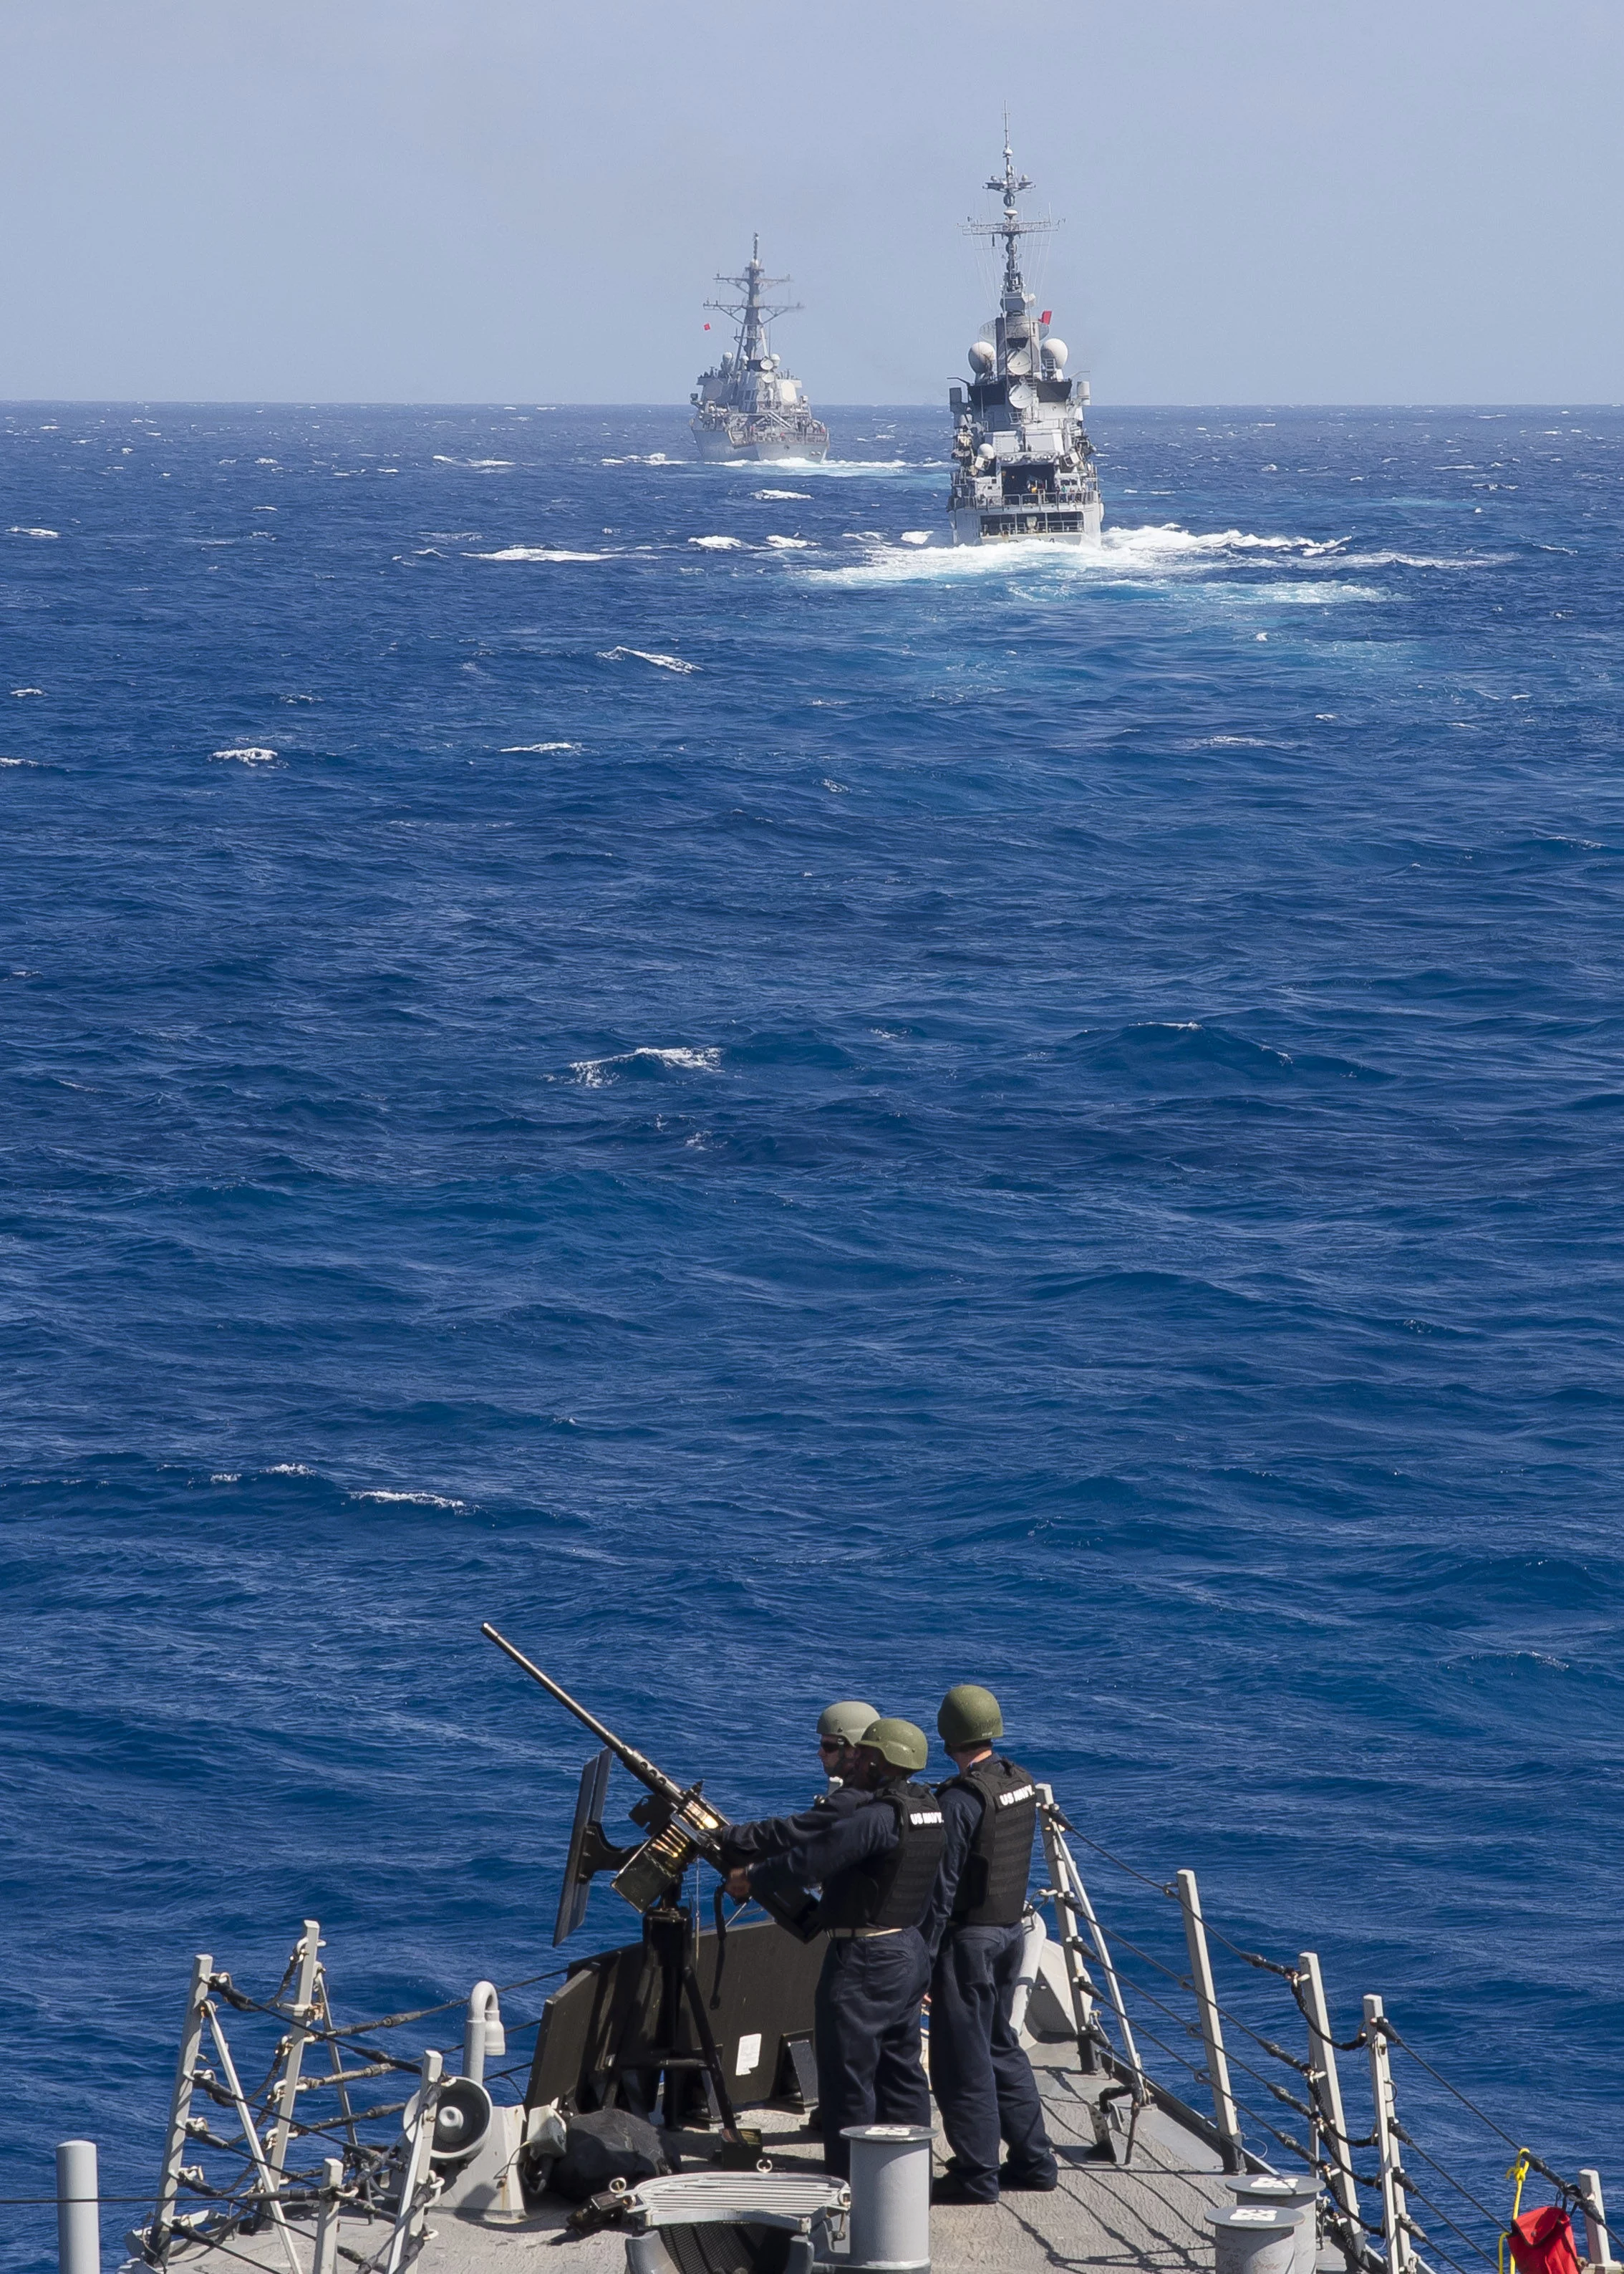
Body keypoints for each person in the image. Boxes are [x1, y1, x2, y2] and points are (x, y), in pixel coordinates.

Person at [719, 1717, 944, 2177]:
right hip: (909, 1950)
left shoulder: (878, 1818)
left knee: (847, 2079)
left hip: (865, 1960)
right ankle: (908, 2179)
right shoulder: (928, 1810)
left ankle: (850, 2185)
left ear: (882, 1763)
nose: (854, 1761)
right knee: (903, 2073)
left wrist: (752, 1878)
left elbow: (811, 1859)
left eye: (863, 1756)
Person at [921, 1684, 1059, 2205]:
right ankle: (1035, 2161)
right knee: (1002, 2046)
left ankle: (976, 2174)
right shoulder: (1016, 1781)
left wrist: (926, 1963)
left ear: (946, 1734)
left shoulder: (960, 1800)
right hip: (1008, 1933)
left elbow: (941, 1892)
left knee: (962, 2059)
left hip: (969, 1941)